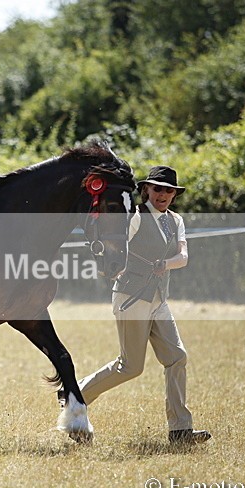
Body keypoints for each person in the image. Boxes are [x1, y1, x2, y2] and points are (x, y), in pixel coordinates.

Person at [63, 166, 211, 445]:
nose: (163, 194)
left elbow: (183, 256)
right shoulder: (134, 217)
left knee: (177, 357)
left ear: (174, 195)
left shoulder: (175, 220)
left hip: (158, 300)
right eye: (157, 189)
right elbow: (116, 247)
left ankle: (180, 430)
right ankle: (76, 395)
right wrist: (116, 265)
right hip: (131, 298)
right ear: (146, 191)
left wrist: (164, 264)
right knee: (130, 367)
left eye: (169, 190)